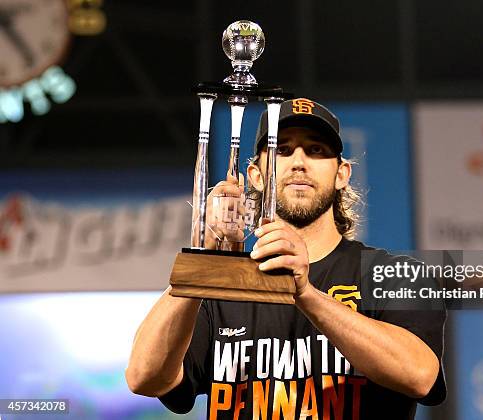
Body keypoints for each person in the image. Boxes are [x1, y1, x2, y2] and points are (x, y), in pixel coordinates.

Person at [126, 98, 446, 419]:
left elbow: (419, 375)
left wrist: (305, 293)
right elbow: (144, 376)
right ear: (255, 175)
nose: (299, 162)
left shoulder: (395, 275)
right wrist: (203, 257)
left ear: (342, 174)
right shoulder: (217, 287)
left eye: (316, 150)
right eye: (282, 150)